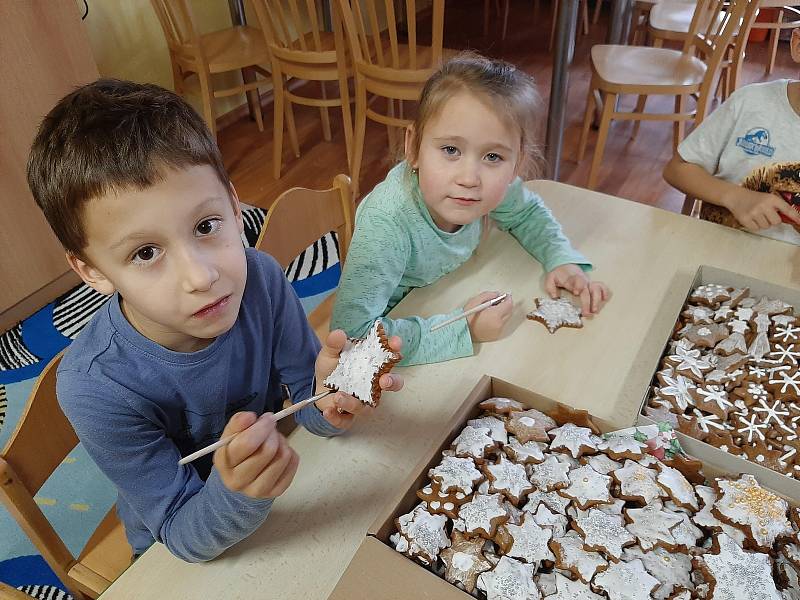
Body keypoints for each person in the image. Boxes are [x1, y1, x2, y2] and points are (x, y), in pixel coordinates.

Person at [26, 79, 402, 562]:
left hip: (282, 482)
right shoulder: (94, 387)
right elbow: (180, 535)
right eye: (145, 252)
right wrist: (241, 493)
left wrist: (333, 396)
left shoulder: (261, 280)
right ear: (92, 270)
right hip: (186, 539)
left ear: (233, 202)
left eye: (206, 226)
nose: (201, 277)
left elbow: (308, 408)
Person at [331, 53, 610, 366]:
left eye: (493, 157)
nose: (469, 178)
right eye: (451, 150)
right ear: (414, 147)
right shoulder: (387, 223)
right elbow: (353, 339)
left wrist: (560, 258)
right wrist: (464, 329)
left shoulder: (489, 188)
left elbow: (527, 213)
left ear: (517, 163)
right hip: (398, 331)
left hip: (440, 293)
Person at [662, 29, 800, 243]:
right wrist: (736, 197)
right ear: (797, 45)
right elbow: (677, 169)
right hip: (717, 249)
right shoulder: (751, 102)